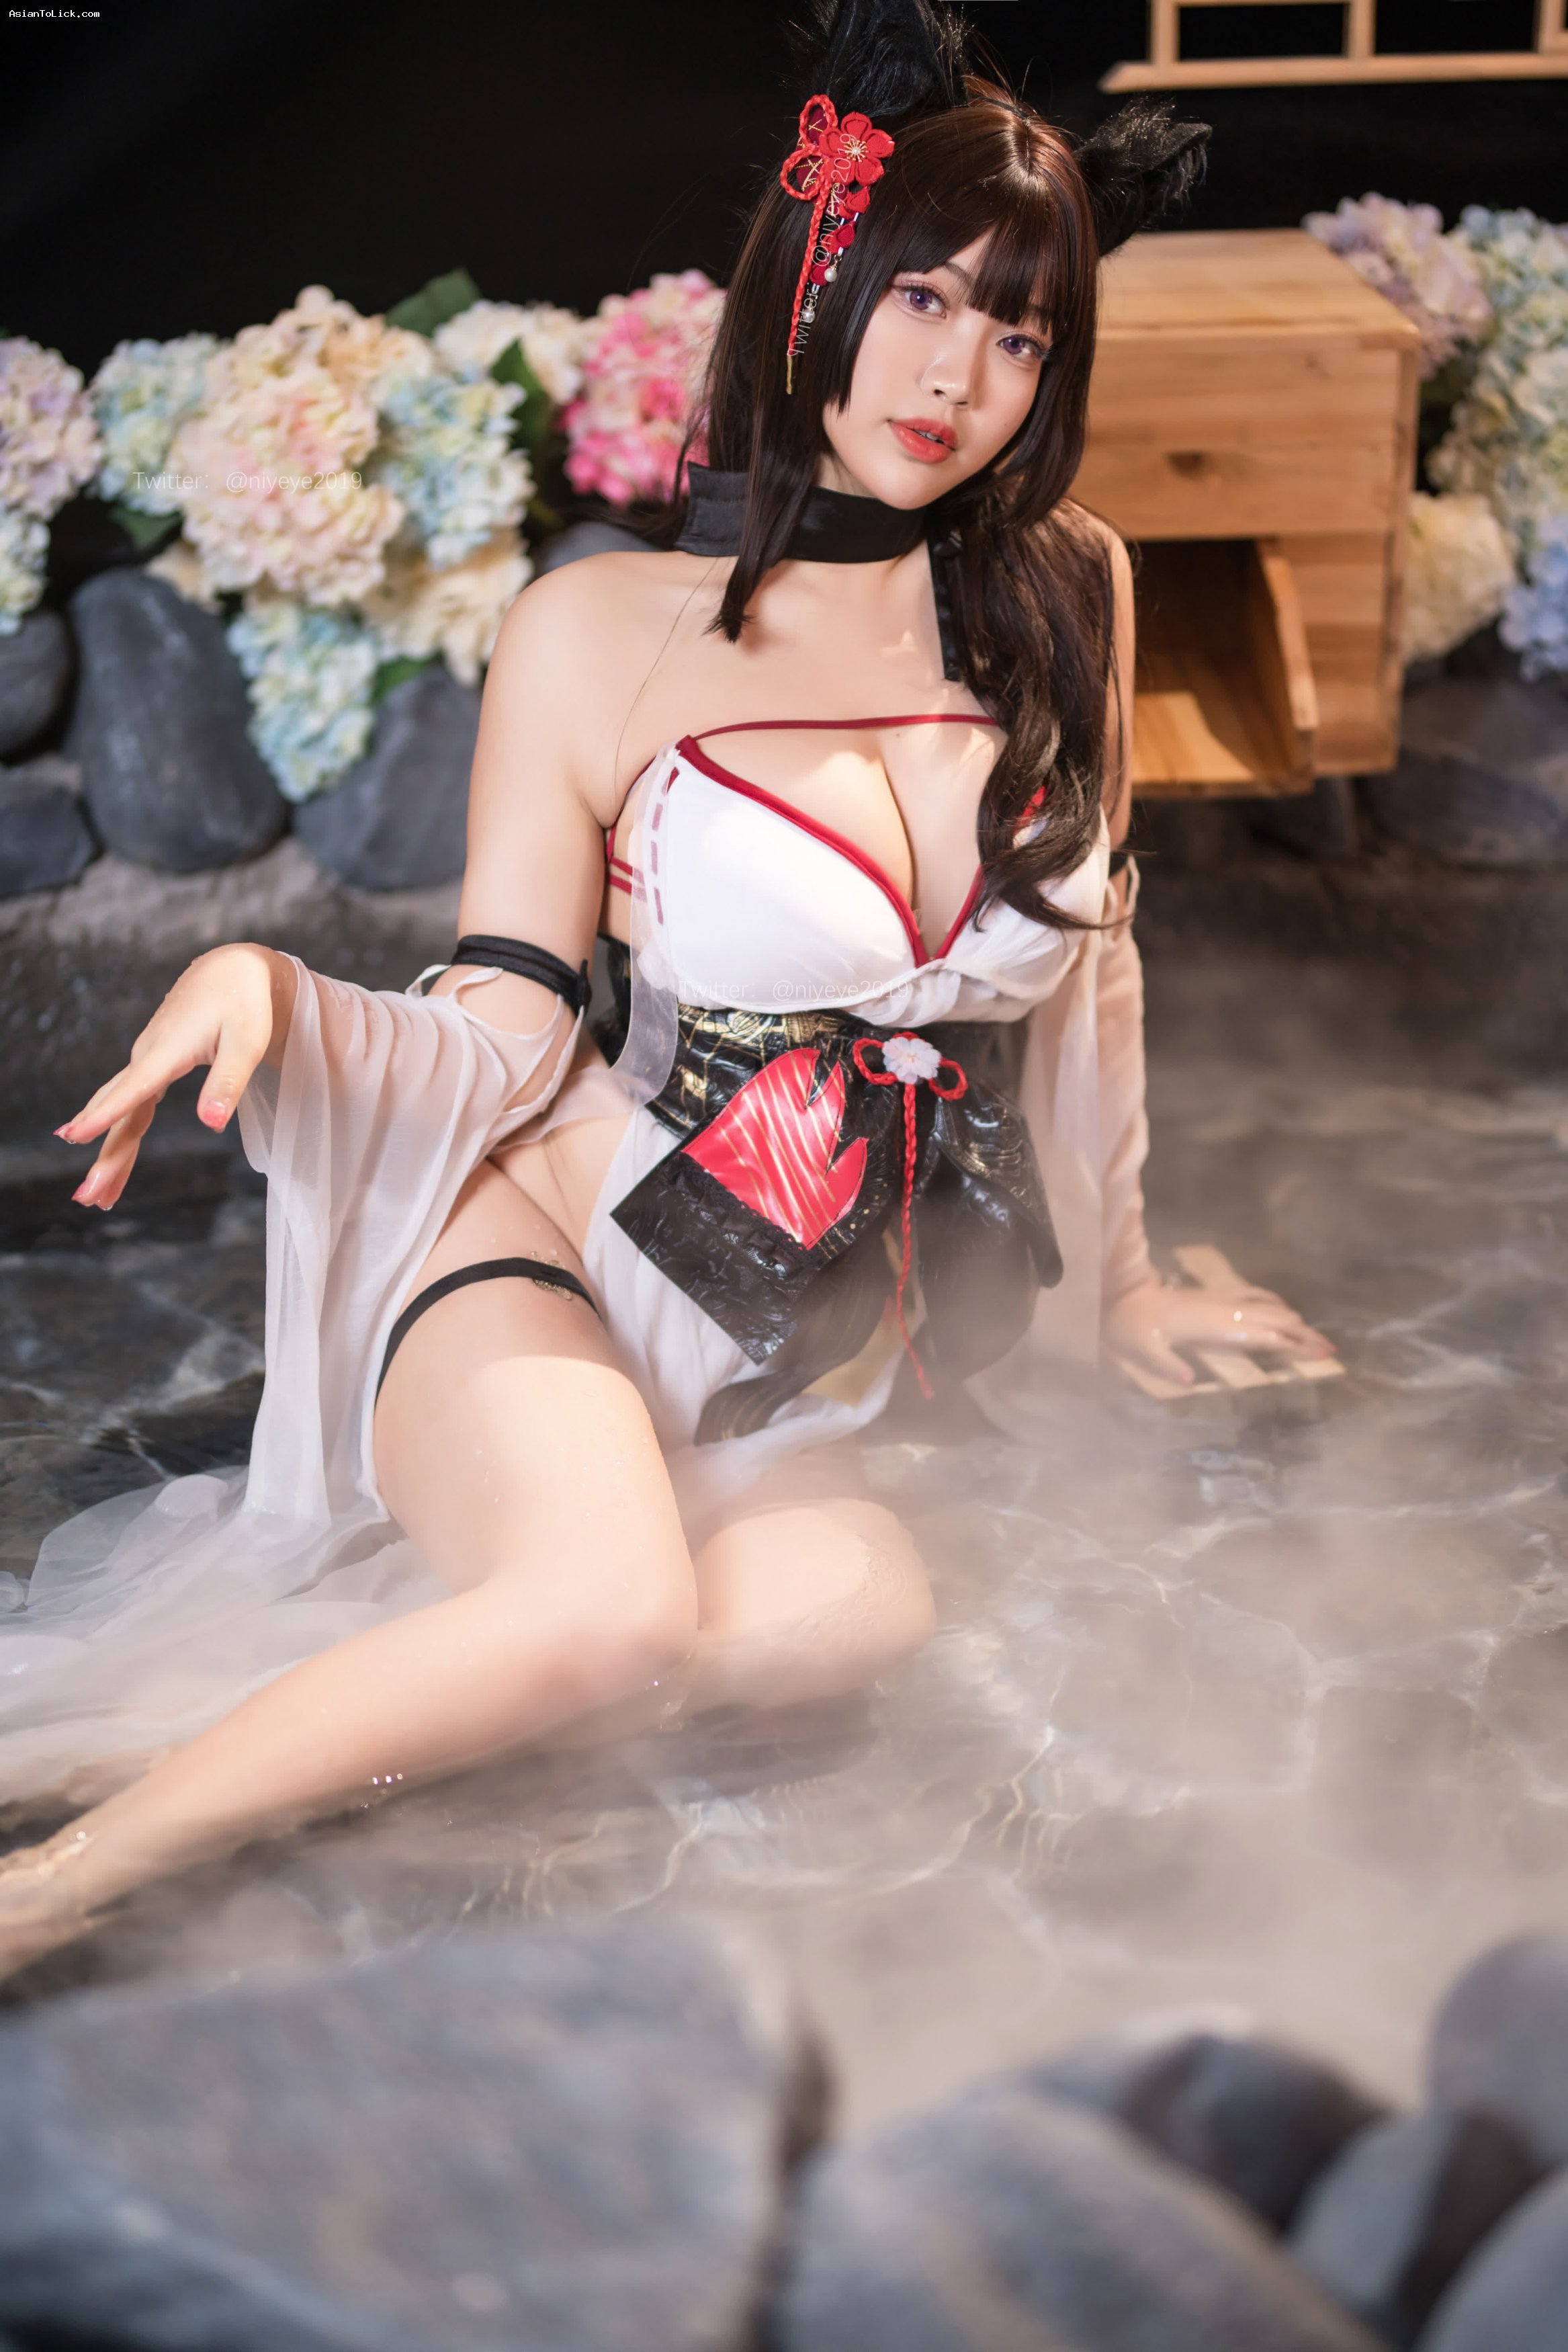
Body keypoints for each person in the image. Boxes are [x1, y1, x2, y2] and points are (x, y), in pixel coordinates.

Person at [0, 4, 1334, 1974]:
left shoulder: (1075, 592)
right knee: (607, 1615)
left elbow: (1093, 972)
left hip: (788, 1340)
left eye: (1023, 332)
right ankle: (58, 1886)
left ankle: (313, 1716)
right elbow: (505, 1019)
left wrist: (1122, 1286)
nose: (958, 375)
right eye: (924, 299)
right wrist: (266, 984)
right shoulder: (599, 625)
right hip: (546, 1238)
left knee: (836, 1621)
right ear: (819, 279)